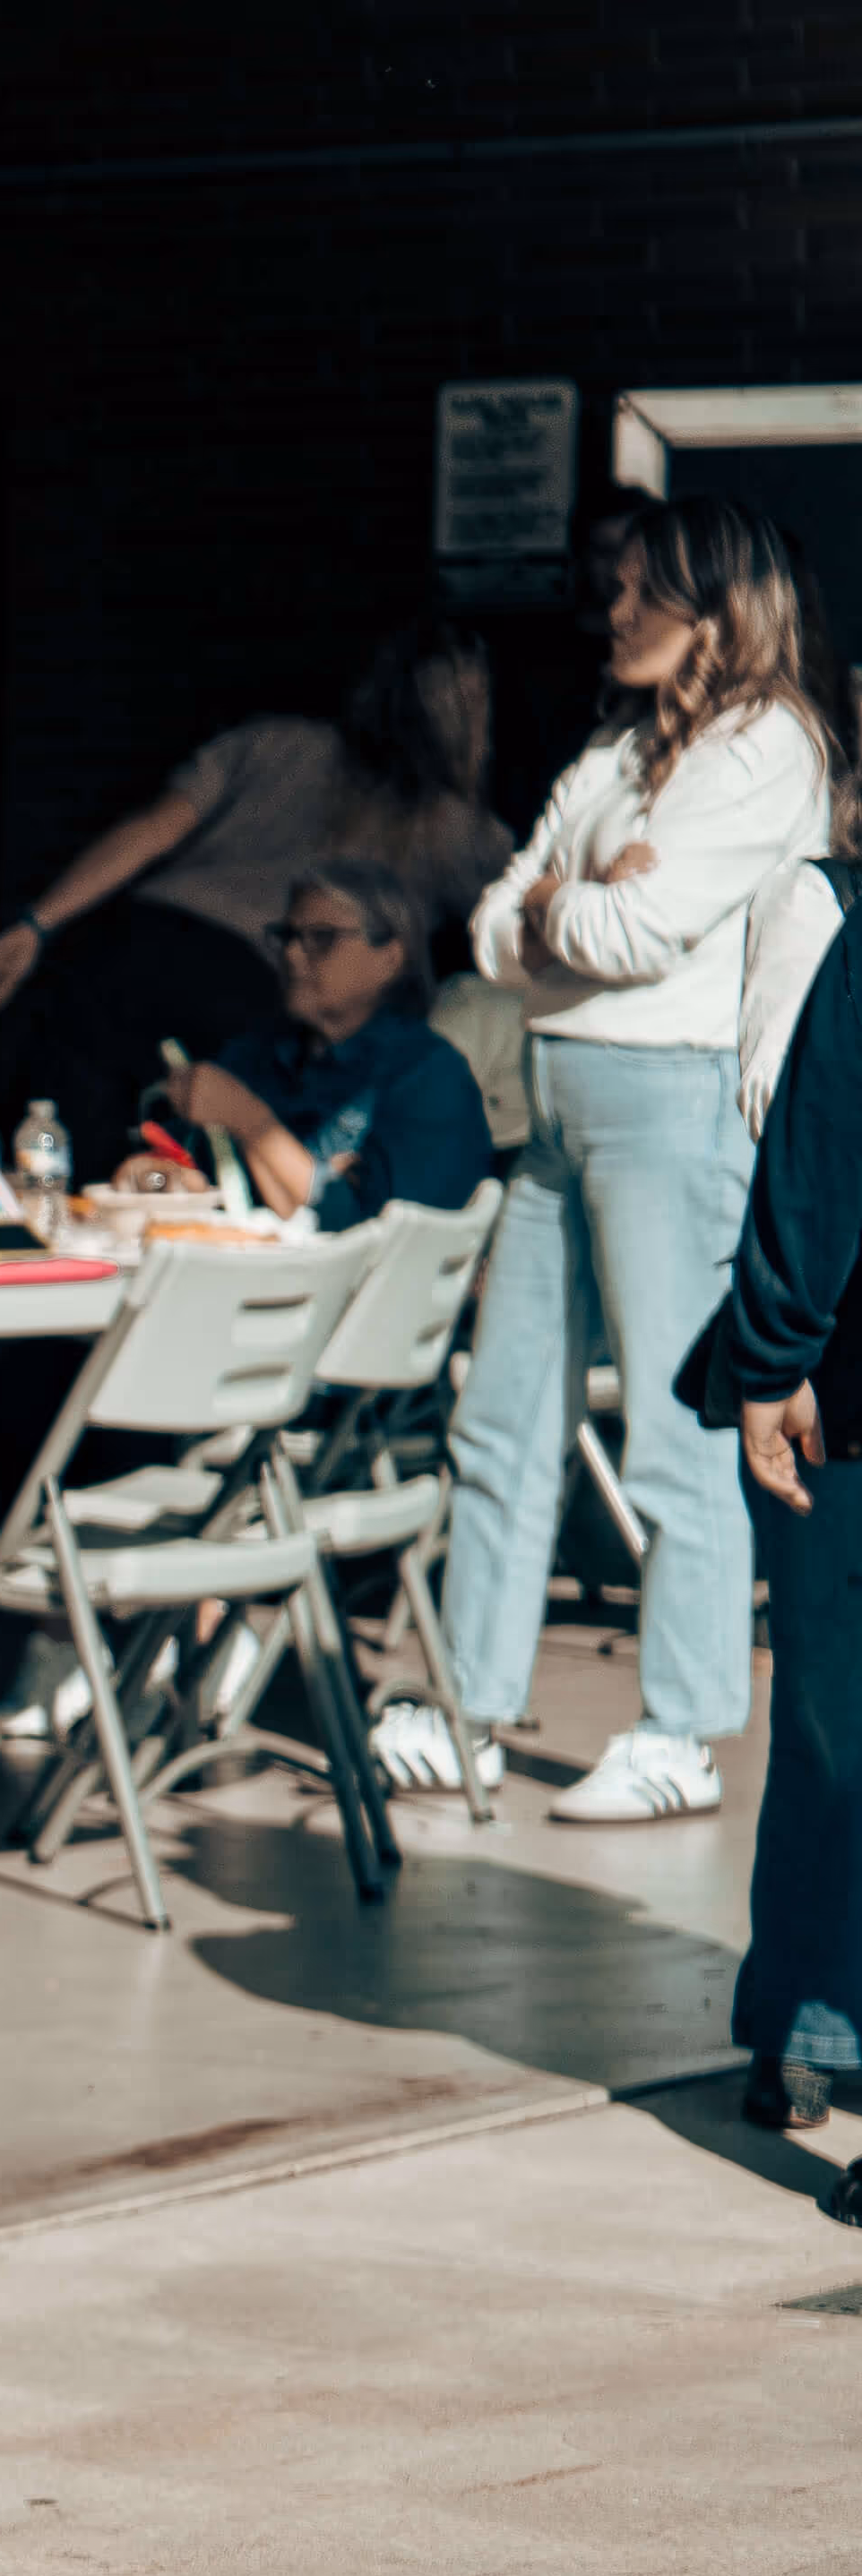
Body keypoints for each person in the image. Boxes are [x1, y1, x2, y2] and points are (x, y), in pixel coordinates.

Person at [386, 496, 843, 1826]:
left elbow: (640, 931)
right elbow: (488, 924)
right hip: (559, 1096)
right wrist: (557, 906)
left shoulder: (768, 748)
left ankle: (683, 1729)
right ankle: (470, 1706)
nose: (619, 613)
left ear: (720, 612)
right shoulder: (614, 752)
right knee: (503, 1411)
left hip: (668, 1102)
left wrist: (560, 908)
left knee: (675, 1428)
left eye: (649, 595)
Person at [0, 624, 512, 1161]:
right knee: (215, 1178)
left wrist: (37, 925)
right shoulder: (462, 831)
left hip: (125, 945)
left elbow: (151, 829)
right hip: (245, 985)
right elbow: (509, 939)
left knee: (56, 1162)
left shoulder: (271, 743)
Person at [677, 839, 862, 2130]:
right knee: (830, 1723)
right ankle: (807, 2013)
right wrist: (776, 1350)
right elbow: (802, 1124)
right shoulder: (826, 906)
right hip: (838, 1391)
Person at [168, 855, 497, 1232]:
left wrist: (250, 1120)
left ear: (389, 958)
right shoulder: (253, 1056)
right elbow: (189, 1169)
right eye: (287, 937)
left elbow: (372, 1239)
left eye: (322, 939)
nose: (292, 955)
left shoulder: (427, 1075)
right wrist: (157, 1178)